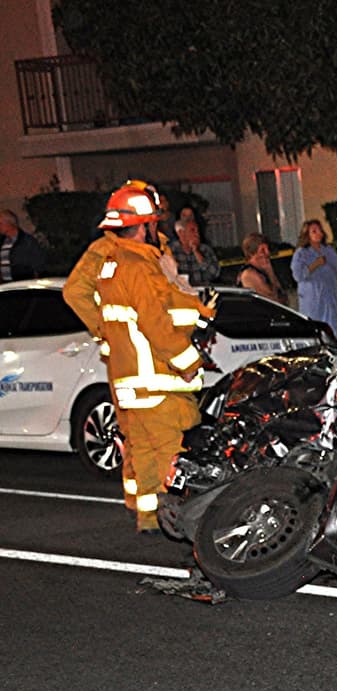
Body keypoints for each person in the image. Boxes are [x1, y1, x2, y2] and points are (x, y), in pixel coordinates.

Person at [63, 182, 210, 533]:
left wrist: (199, 311)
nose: (161, 221)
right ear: (143, 223)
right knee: (169, 446)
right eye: (156, 216)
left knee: (142, 445)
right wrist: (188, 361)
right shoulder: (125, 258)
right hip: (154, 371)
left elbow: (165, 298)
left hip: (133, 371)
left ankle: (147, 516)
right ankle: (169, 518)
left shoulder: (132, 257)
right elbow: (153, 317)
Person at [291, 219, 337, 338]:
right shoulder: (301, 253)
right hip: (313, 299)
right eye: (314, 231)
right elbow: (298, 275)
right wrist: (315, 264)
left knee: (334, 328)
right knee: (315, 329)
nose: (318, 234)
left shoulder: (328, 250)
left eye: (320, 230)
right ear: (307, 235)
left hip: (330, 296)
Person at [236, 233, 286, 304]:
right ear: (252, 253)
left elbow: (280, 292)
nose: (267, 253)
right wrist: (270, 272)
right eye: (262, 250)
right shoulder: (248, 273)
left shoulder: (262, 270)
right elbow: (271, 298)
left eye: (267, 249)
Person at [170, 216, 221, 286]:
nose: (197, 234)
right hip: (180, 290)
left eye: (197, 231)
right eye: (192, 230)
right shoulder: (171, 250)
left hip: (202, 290)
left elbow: (215, 273)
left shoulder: (205, 249)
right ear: (181, 233)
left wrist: (196, 252)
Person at [0, 209, 45, 281]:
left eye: (0, 223)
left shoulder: (27, 241)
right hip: (6, 285)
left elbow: (39, 264)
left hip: (22, 283)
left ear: (10, 223)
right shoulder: (2, 241)